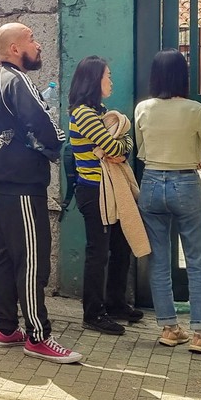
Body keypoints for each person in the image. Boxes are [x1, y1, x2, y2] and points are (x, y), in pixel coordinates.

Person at [0, 23, 82, 364]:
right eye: (32, 40)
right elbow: (40, 121)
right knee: (32, 260)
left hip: (3, 184)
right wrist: (57, 143)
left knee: (9, 256)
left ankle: (6, 327)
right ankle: (37, 335)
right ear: (14, 49)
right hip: (23, 185)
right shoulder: (17, 79)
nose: (38, 46)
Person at [135, 49, 201, 353]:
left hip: (151, 184)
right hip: (185, 183)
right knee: (196, 261)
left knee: (159, 260)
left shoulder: (143, 108)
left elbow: (142, 152)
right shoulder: (195, 110)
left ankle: (170, 328)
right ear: (182, 76)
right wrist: (196, 154)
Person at [68, 55, 141, 336]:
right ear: (93, 80)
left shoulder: (99, 111)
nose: (111, 80)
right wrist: (123, 142)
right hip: (94, 191)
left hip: (109, 190)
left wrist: (123, 143)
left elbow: (121, 146)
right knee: (98, 253)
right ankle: (93, 313)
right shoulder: (84, 113)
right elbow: (115, 148)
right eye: (107, 76)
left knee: (120, 248)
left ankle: (115, 302)